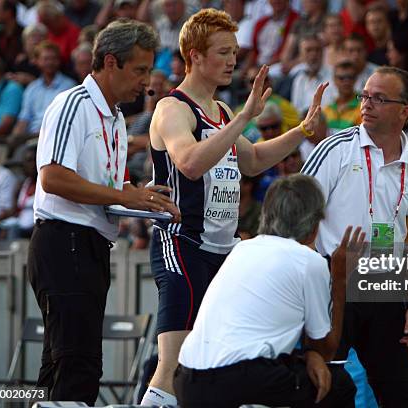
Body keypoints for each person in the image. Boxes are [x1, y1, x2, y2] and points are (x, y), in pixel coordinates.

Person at [143, 8, 328, 406]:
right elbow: (190, 163)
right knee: (174, 362)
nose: (232, 60)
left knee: (213, 362)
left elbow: (252, 161)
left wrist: (301, 131)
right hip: (183, 245)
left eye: (235, 52)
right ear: (194, 56)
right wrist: (244, 117)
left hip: (222, 251)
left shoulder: (222, 112)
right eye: (224, 52)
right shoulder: (173, 109)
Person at [27, 20, 180, 405]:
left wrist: (141, 197)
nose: (146, 83)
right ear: (110, 62)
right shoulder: (72, 103)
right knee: (78, 366)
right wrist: (124, 196)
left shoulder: (113, 118)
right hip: (65, 242)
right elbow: (53, 178)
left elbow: (108, 191)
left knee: (63, 364)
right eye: (140, 70)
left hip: (88, 245)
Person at [301, 66, 408, 407]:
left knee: (403, 393)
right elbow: (297, 218)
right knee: (325, 388)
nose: (367, 103)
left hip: (386, 287)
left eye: (379, 98)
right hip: (333, 282)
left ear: (404, 111)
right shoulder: (334, 150)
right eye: (365, 96)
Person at [174, 175, 364, 407]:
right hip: (237, 379)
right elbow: (326, 349)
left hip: (187, 379)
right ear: (314, 224)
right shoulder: (308, 261)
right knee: (338, 384)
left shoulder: (242, 249)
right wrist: (340, 277)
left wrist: (310, 355)